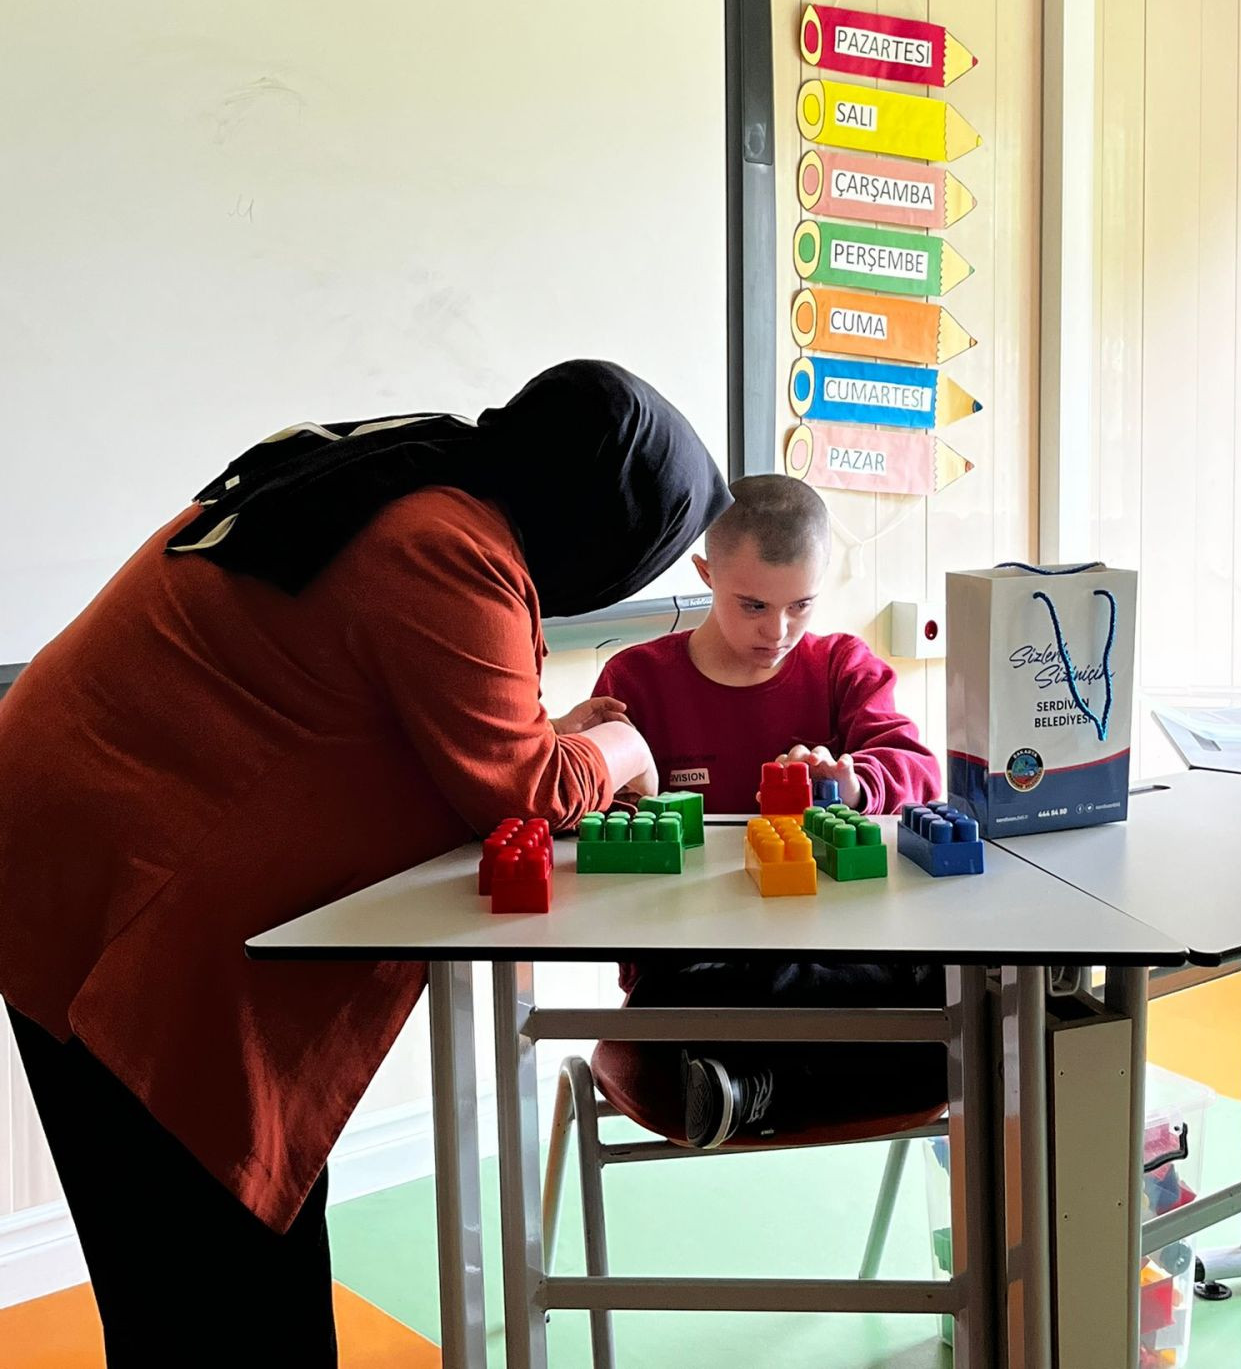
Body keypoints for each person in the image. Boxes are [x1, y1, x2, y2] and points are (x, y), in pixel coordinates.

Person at [0, 360, 726, 1366]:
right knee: (203, 1257)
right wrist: (620, 750)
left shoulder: (407, 480)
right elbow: (522, 791)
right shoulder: (446, 552)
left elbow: (381, 705)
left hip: (61, 849)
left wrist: (556, 739)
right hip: (122, 891)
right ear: (605, 527)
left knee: (188, 1241)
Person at [594, 474, 946, 1149]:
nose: (777, 630)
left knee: (951, 988)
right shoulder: (635, 682)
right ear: (705, 572)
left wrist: (854, 782)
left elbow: (918, 769)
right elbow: (603, 840)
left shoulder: (843, 664)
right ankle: (751, 1078)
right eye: (753, 603)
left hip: (837, 956)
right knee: (691, 996)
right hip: (699, 965)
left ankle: (751, 1087)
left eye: (800, 605)